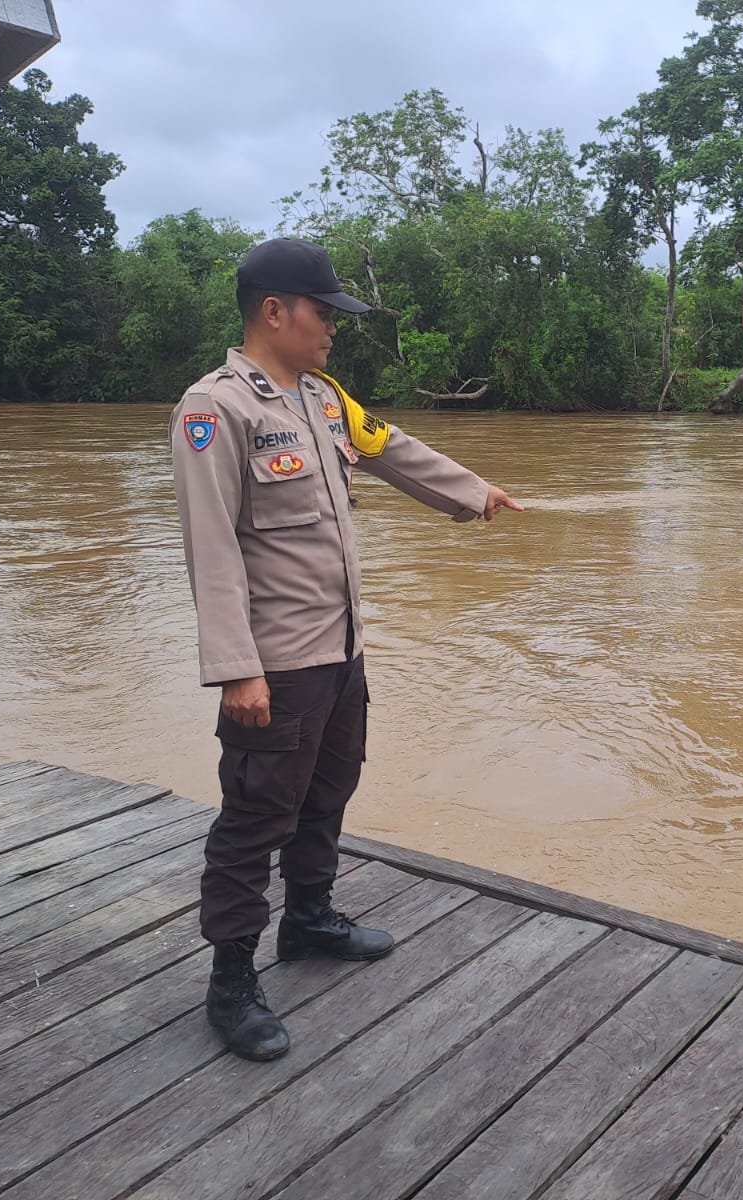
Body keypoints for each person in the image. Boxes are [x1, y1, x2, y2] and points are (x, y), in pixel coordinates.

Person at [170, 237, 522, 1061]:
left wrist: (474, 494)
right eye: (322, 313)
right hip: (275, 664)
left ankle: (309, 921)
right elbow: (210, 546)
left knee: (330, 792)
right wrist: (236, 669)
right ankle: (231, 983)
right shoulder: (214, 409)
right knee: (256, 819)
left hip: (342, 650)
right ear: (273, 312)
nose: (332, 329)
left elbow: (392, 448)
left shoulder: (324, 399)